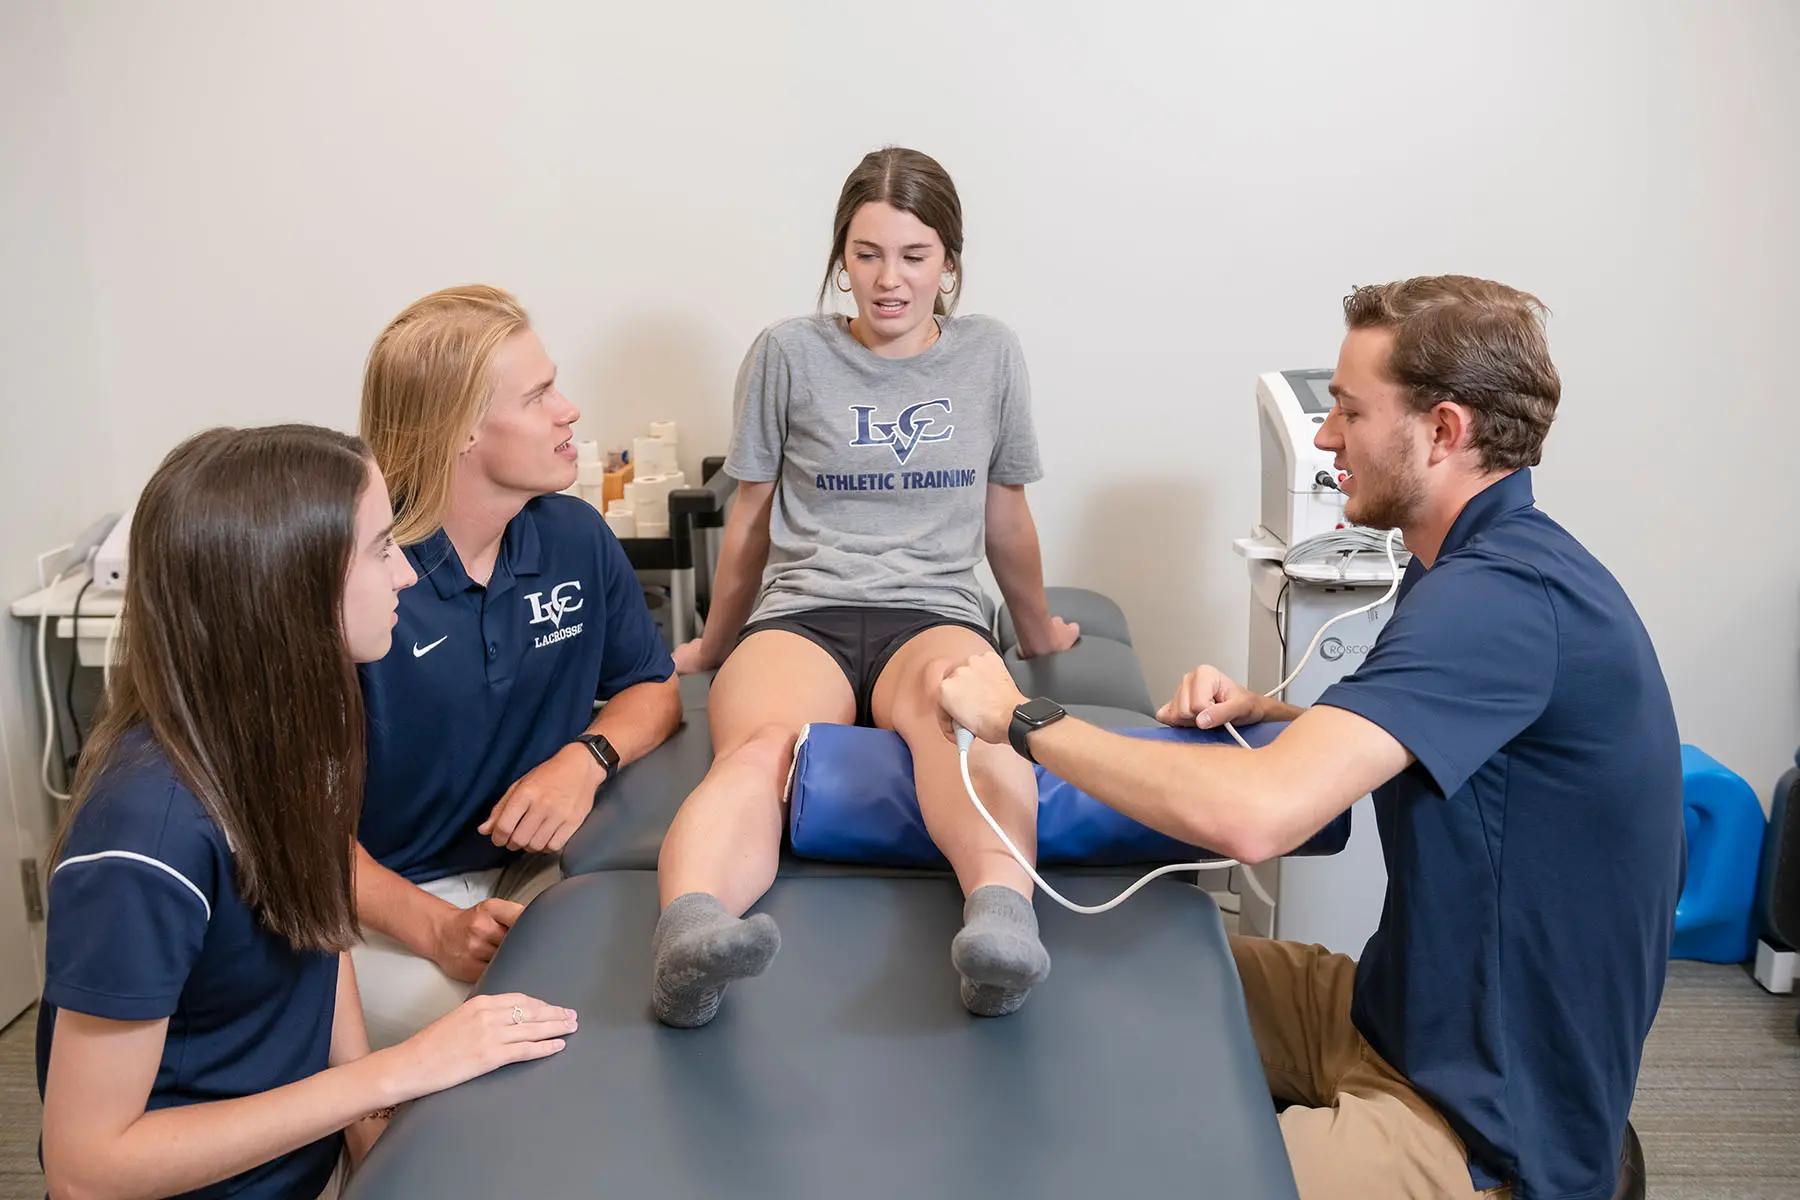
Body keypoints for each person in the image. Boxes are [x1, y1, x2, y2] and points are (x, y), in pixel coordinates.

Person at [938, 276, 1683, 1199]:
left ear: (1443, 431)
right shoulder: (1480, 562)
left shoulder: (1497, 603)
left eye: (1348, 409)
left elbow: (1256, 822)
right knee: (1106, 968)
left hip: (1480, 1123)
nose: (1326, 437)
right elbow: (1433, 739)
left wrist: (1020, 718)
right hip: (1395, 1016)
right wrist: (1275, 714)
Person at [37, 425, 576, 1200]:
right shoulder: (143, 842)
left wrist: (365, 1127)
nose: (407, 577)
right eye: (381, 548)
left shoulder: (290, 738)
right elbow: (89, 1168)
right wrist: (401, 1068)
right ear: (290, 586)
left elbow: (320, 939)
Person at [651, 146, 1079, 1026]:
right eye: (867, 253)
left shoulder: (990, 355)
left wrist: (1037, 634)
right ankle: (689, 940)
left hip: (931, 613)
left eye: (914, 256)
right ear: (840, 257)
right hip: (803, 613)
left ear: (949, 264)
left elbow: (1005, 517)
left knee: (964, 733)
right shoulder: (787, 353)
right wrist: (716, 641)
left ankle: (1002, 929)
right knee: (760, 745)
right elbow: (751, 519)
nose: (889, 280)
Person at [352, 285, 683, 1049]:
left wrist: (586, 757)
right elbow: (285, 833)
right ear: (460, 431)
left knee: (656, 1002)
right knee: (568, 1046)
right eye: (538, 397)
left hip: (532, 875)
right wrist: (433, 927)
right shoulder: (363, 582)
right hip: (383, 906)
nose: (569, 410)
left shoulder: (572, 536)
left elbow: (652, 687)